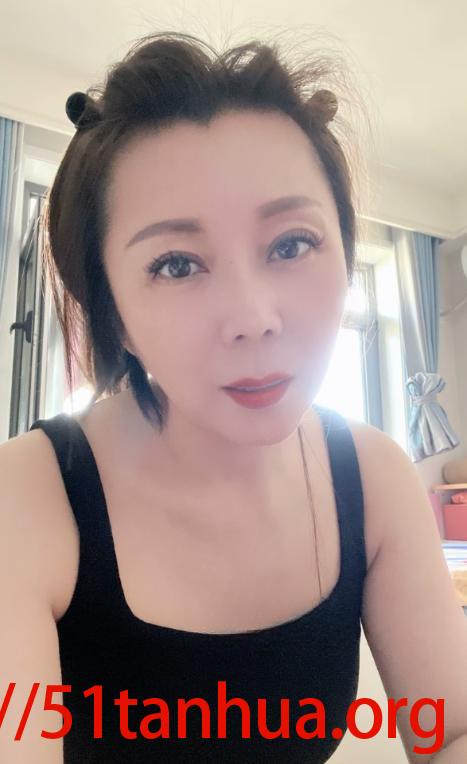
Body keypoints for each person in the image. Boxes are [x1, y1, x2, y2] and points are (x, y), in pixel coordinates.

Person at [1, 30, 466, 764]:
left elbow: (451, 730)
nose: (254, 318)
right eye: (176, 264)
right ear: (111, 308)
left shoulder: (373, 476)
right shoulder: (29, 497)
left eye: (291, 244)